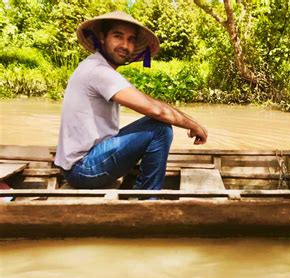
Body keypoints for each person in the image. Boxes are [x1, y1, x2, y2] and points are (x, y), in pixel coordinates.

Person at [54, 11, 208, 190]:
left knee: (157, 124)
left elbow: (155, 104)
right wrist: (192, 126)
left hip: (84, 163)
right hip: (83, 169)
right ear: (103, 38)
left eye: (131, 39)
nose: (125, 45)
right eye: (118, 36)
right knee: (159, 128)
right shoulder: (98, 71)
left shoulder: (99, 67)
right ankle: (147, 199)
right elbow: (157, 111)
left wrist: (192, 122)